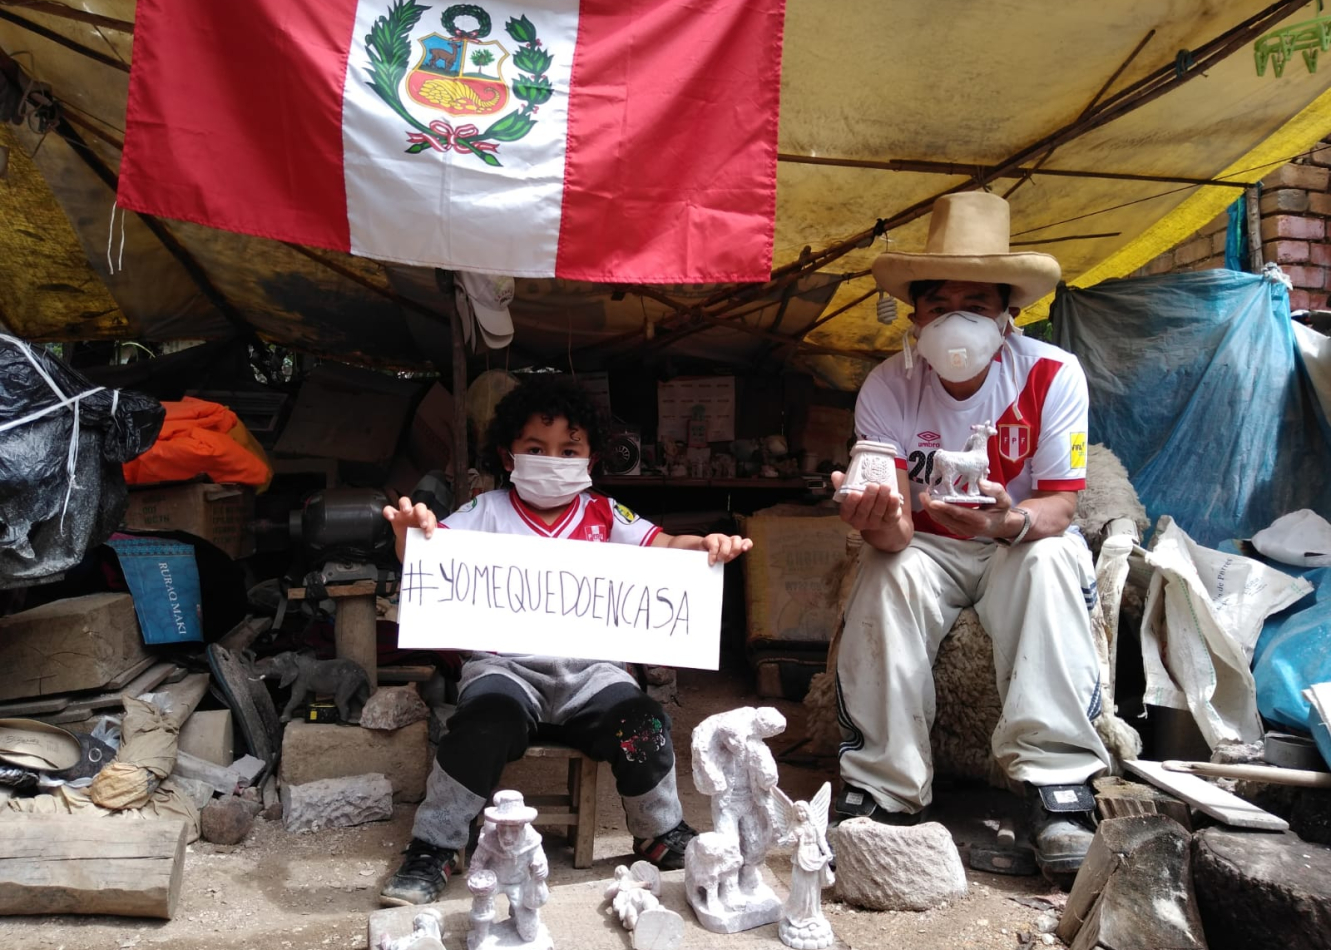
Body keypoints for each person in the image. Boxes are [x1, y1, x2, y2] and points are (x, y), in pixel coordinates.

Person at [379, 374, 754, 906]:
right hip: (505, 669)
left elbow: (666, 544)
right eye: (536, 448)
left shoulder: (606, 514)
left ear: (590, 459)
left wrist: (705, 546)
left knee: (644, 723)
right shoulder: (484, 513)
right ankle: (433, 846)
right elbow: (430, 552)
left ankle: (658, 831)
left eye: (568, 449)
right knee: (479, 726)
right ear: (508, 457)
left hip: (592, 673)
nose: (552, 458)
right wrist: (408, 535)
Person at [831, 191, 1111, 875]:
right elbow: (894, 529)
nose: (955, 321)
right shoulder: (887, 386)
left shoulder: (1051, 373)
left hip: (1014, 540)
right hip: (927, 546)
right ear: (915, 315)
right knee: (882, 571)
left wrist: (1006, 522)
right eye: (938, 305)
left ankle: (1058, 787)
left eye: (976, 306)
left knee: (1048, 563)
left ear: (1007, 316)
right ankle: (884, 785)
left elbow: (1058, 508)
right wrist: (881, 521)